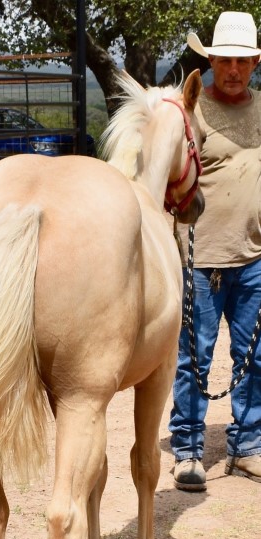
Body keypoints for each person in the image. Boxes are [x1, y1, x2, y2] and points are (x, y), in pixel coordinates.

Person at [169, 10, 261, 491]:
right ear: (210, 61)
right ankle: (186, 449)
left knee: (256, 356)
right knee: (194, 359)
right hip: (200, 257)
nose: (232, 70)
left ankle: (247, 446)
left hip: (254, 257)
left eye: (242, 62)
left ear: (255, 62)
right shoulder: (192, 109)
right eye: (224, 60)